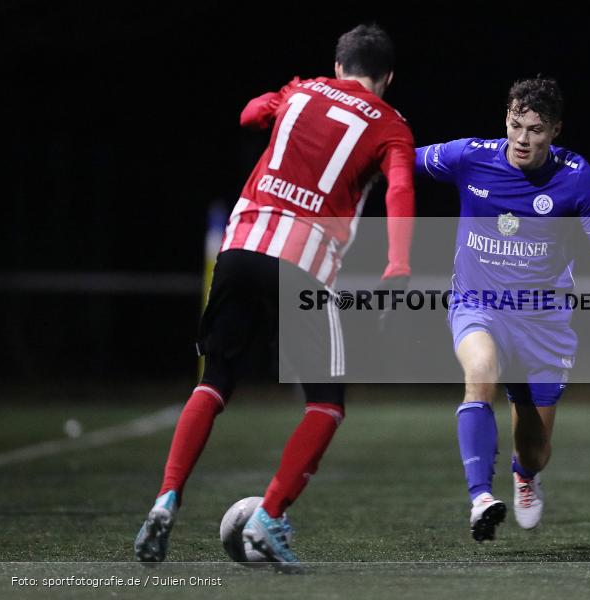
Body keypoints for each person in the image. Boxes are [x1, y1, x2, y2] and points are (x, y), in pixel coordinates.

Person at [134, 23, 415, 565]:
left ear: (338, 65)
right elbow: (400, 188)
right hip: (304, 263)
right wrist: (398, 261)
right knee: (326, 403)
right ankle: (269, 515)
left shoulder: (302, 89)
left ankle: (166, 496)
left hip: (241, 246)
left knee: (215, 380)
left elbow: (247, 115)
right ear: (387, 78)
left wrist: (278, 98)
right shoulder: (391, 125)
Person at [414, 77, 590, 540]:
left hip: (543, 319)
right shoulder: (470, 156)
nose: (522, 139)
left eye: (534, 129)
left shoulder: (576, 176)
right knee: (481, 371)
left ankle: (523, 476)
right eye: (515, 125)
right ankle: (480, 499)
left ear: (555, 130)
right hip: (478, 303)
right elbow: (397, 160)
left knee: (534, 450)